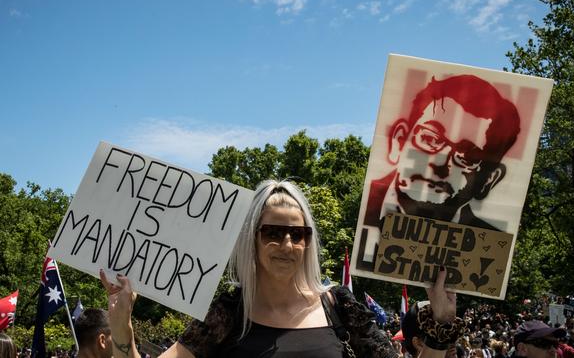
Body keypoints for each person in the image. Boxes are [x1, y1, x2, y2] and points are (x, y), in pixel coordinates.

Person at [100, 179, 463, 357]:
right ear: (252, 240)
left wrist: (442, 324)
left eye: (298, 233)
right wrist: (121, 329)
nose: (287, 245)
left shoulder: (340, 307)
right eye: (273, 232)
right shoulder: (226, 315)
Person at [360, 74, 520, 240]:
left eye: (469, 157)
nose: (441, 163)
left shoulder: (490, 247)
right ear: (399, 142)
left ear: (488, 180)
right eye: (429, 139)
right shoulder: (357, 210)